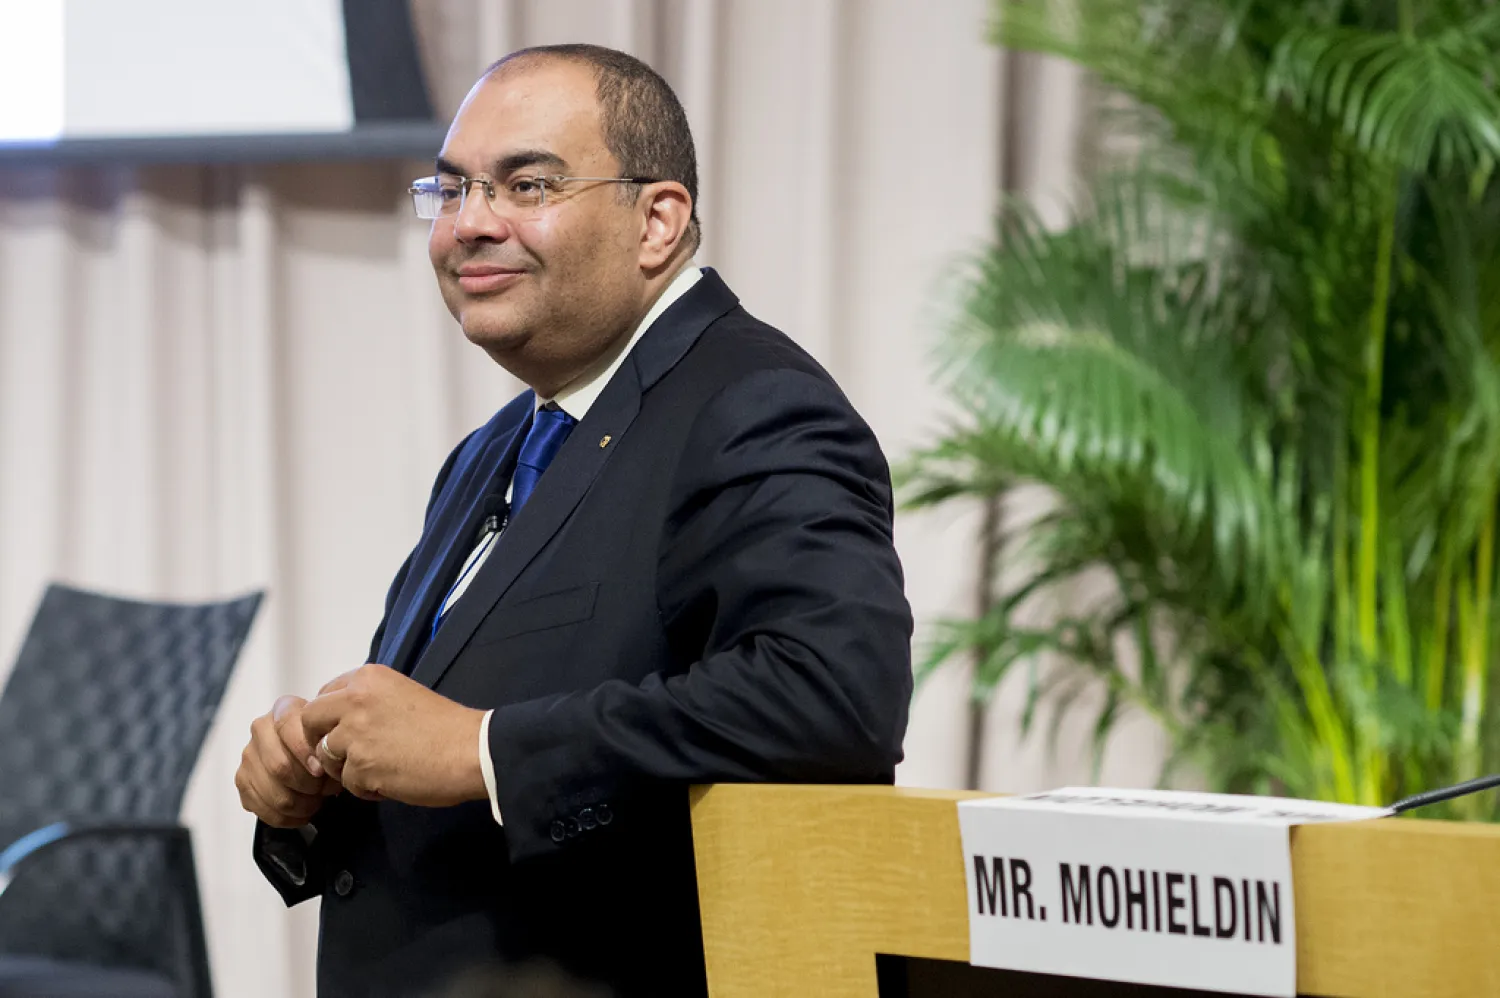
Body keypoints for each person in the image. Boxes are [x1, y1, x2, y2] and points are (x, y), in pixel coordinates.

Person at [234, 43, 912, 998]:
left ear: (657, 221)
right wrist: (313, 787)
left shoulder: (752, 403)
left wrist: (481, 750)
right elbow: (441, 739)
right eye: (454, 188)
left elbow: (832, 700)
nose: (471, 224)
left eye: (526, 184)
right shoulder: (497, 446)